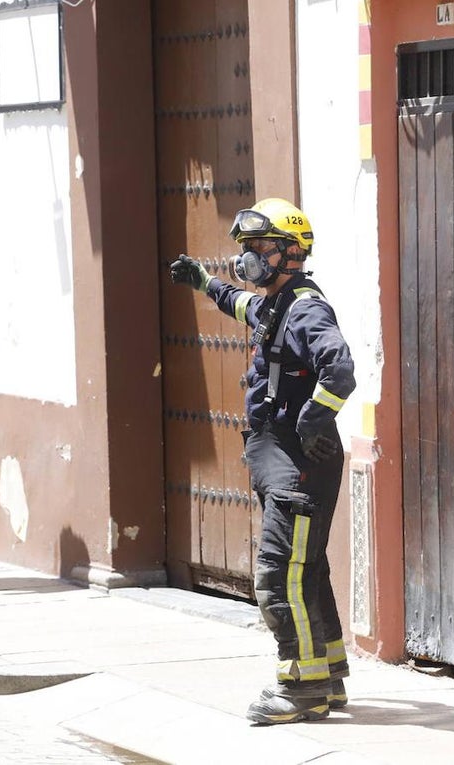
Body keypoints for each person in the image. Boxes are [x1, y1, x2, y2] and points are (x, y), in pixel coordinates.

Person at [169, 198, 356, 725]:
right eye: (245, 249)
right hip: (281, 457)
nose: (248, 258)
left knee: (279, 575)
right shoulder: (276, 303)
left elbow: (339, 369)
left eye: (260, 248)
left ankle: (300, 690)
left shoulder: (305, 308)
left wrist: (312, 422)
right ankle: (328, 676)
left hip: (299, 463)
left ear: (291, 253)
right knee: (307, 571)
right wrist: (203, 282)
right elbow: (241, 304)